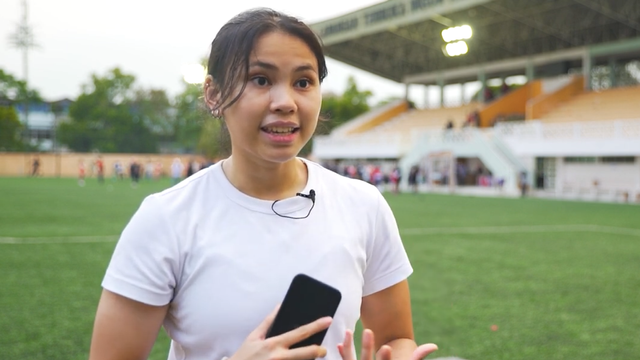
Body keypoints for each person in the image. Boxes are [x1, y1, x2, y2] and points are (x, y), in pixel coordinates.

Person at [88, 8, 438, 360]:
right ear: (213, 94)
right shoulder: (166, 219)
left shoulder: (363, 205)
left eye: (303, 82)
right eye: (260, 79)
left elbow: (396, 338)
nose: (285, 102)